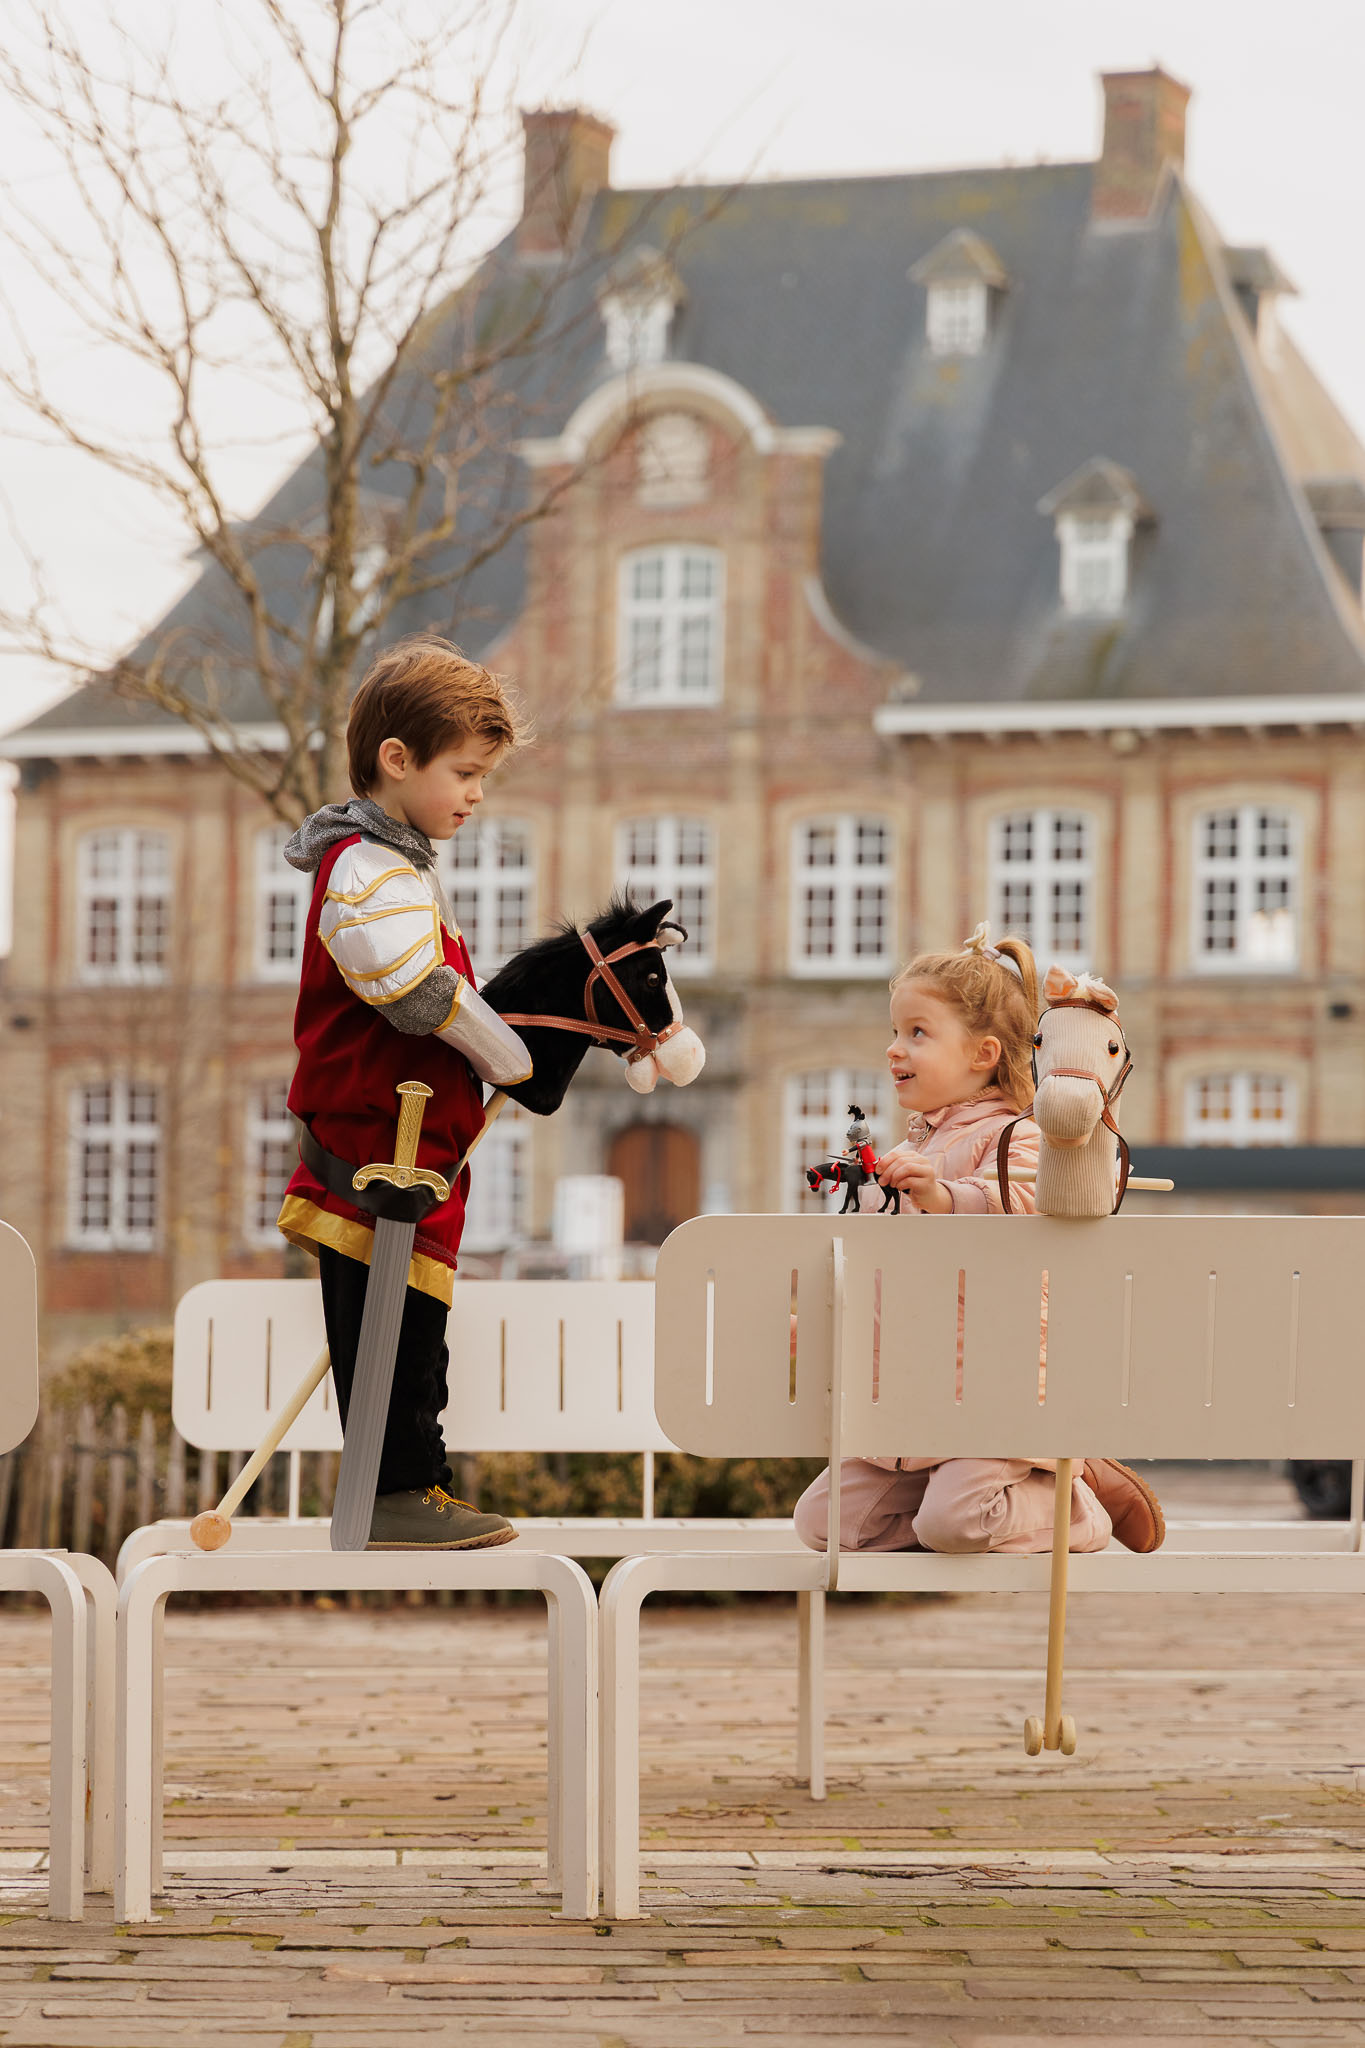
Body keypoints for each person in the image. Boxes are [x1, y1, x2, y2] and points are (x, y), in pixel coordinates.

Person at [793, 924, 1165, 1558]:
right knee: (826, 1522)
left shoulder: (1021, 1135)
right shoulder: (913, 1148)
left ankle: (1079, 1503)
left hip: (996, 1389)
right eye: (894, 1031)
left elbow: (1020, 1210)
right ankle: (978, 1493)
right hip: (915, 1393)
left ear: (983, 1053)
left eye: (917, 1032)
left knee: (954, 1526)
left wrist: (944, 1197)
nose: (894, 1049)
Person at [277, 636, 535, 1550]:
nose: (474, 794)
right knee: (395, 1323)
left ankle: (411, 1483)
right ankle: (393, 1492)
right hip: (378, 1152)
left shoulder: (400, 864)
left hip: (407, 1147)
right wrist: (505, 1052)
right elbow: (415, 987)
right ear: (397, 760)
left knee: (411, 1320)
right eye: (463, 772)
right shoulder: (368, 869)